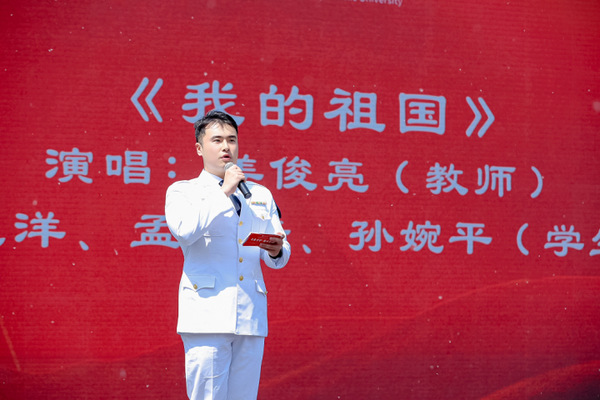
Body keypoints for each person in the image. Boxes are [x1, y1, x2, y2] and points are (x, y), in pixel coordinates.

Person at [165, 110, 291, 400]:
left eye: (232, 140)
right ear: (199, 148)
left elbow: (281, 250)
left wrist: (276, 250)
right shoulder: (184, 191)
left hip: (250, 314)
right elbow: (185, 231)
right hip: (207, 313)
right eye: (217, 140)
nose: (226, 147)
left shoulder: (259, 193)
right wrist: (223, 191)